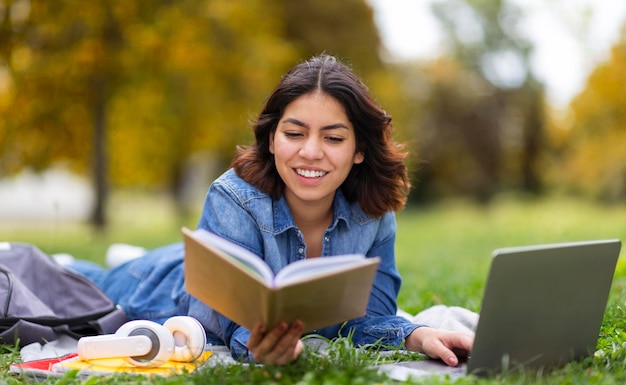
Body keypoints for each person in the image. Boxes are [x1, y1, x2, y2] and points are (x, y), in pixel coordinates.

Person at [69, 54, 473, 366]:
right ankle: (91, 261)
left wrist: (417, 334)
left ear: (359, 151)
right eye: (294, 133)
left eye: (333, 138)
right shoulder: (233, 197)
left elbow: (373, 314)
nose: (310, 152)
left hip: (190, 259)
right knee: (83, 284)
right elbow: (218, 324)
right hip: (163, 288)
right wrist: (259, 346)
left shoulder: (374, 211)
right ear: (273, 140)